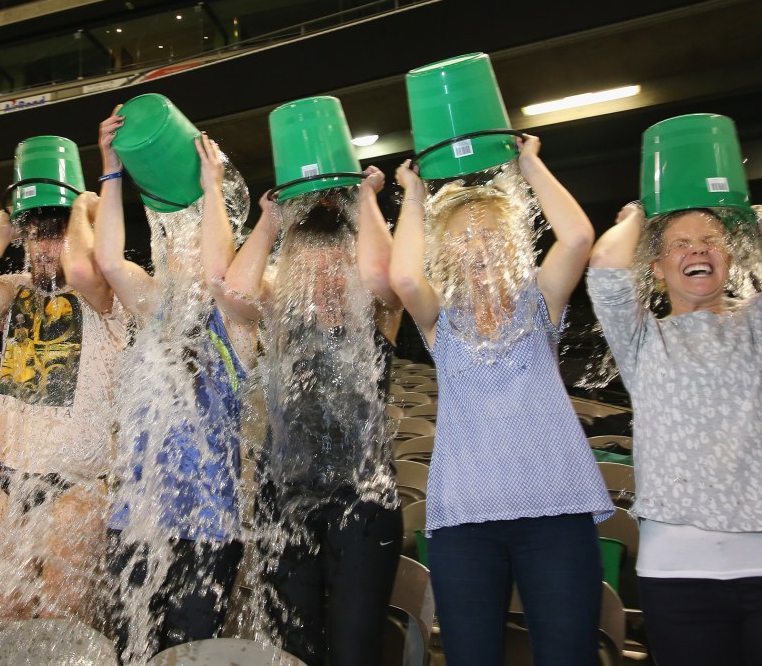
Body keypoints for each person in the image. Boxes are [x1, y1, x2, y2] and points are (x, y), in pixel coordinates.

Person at [388, 136, 613, 666]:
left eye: (492, 234)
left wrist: (530, 164)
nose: (480, 245)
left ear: (513, 242)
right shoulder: (439, 318)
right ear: (446, 253)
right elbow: (401, 276)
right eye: (464, 238)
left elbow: (579, 237)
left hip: (557, 513)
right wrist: (414, 195)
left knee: (568, 655)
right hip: (466, 522)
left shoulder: (540, 300)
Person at [219, 167, 404, 666]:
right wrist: (271, 220)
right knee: (290, 653)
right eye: (311, 272)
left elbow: (389, 275)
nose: (325, 283)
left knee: (354, 651)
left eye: (336, 270)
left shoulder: (378, 314)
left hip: (363, 501)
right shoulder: (280, 317)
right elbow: (233, 294)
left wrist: (365, 199)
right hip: (283, 500)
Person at [95, 108, 254, 662]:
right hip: (135, 518)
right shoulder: (152, 307)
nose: (176, 250)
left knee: (189, 656)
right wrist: (110, 170)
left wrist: (211, 190)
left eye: (192, 241)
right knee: (129, 652)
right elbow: (109, 259)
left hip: (206, 526)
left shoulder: (235, 321)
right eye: (171, 240)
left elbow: (216, 275)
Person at [588, 202, 762, 666]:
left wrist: (748, 219)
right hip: (678, 573)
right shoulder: (643, 339)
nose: (697, 251)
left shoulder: (756, 325)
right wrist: (641, 214)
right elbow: (605, 266)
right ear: (658, 269)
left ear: (730, 258)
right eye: (680, 245)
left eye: (710, 243)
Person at [0, 188, 124, 632]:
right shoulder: (13, 288)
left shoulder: (105, 291)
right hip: (8, 479)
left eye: (57, 237)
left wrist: (83, 207)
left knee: (58, 631)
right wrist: (0, 231)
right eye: (35, 238)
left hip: (77, 483)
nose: (45, 249)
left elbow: (84, 269)